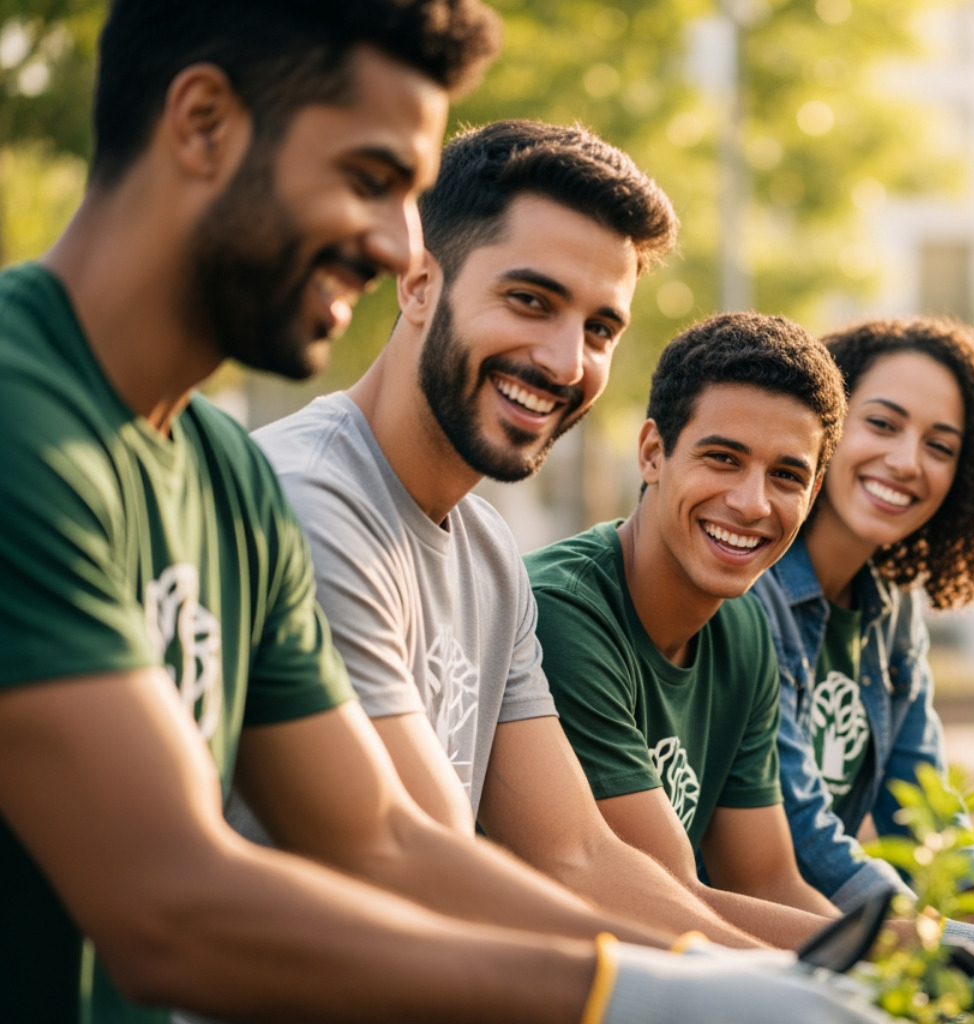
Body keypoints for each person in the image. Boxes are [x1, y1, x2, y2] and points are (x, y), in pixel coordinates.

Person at [0, 3, 898, 1022]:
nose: (394, 245)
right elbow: (170, 909)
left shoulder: (226, 479)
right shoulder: (29, 422)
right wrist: (643, 991)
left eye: (600, 325)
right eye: (370, 181)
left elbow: (388, 837)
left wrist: (764, 979)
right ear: (203, 122)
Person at [231, 116, 843, 951]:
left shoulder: (487, 556)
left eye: (599, 329)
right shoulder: (311, 505)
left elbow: (577, 857)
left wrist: (872, 977)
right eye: (530, 300)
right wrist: (775, 988)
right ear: (416, 281)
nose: (563, 362)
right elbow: (418, 863)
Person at [527, 313, 848, 921]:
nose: (752, 503)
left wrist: (928, 967)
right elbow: (668, 901)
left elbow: (767, 880)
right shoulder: (563, 612)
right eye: (723, 458)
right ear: (653, 453)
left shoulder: (745, 626)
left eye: (786, 475)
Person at [749, 317, 974, 940]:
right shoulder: (751, 587)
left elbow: (930, 816)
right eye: (881, 424)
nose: (908, 461)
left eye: (940, 446)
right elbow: (800, 833)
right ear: (824, 423)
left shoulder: (894, 612)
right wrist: (956, 952)